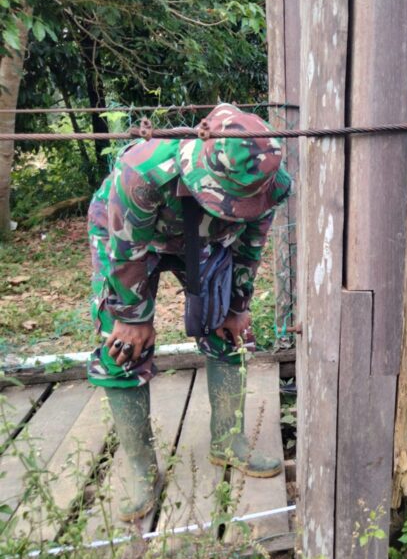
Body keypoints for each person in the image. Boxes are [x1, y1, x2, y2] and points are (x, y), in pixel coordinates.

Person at [87, 103, 292, 521]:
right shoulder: (142, 171)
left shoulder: (270, 182)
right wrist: (132, 316)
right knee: (121, 347)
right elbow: (127, 252)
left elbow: (251, 244)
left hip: (209, 239)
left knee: (228, 332)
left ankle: (228, 440)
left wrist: (238, 305)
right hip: (131, 235)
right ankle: (143, 470)